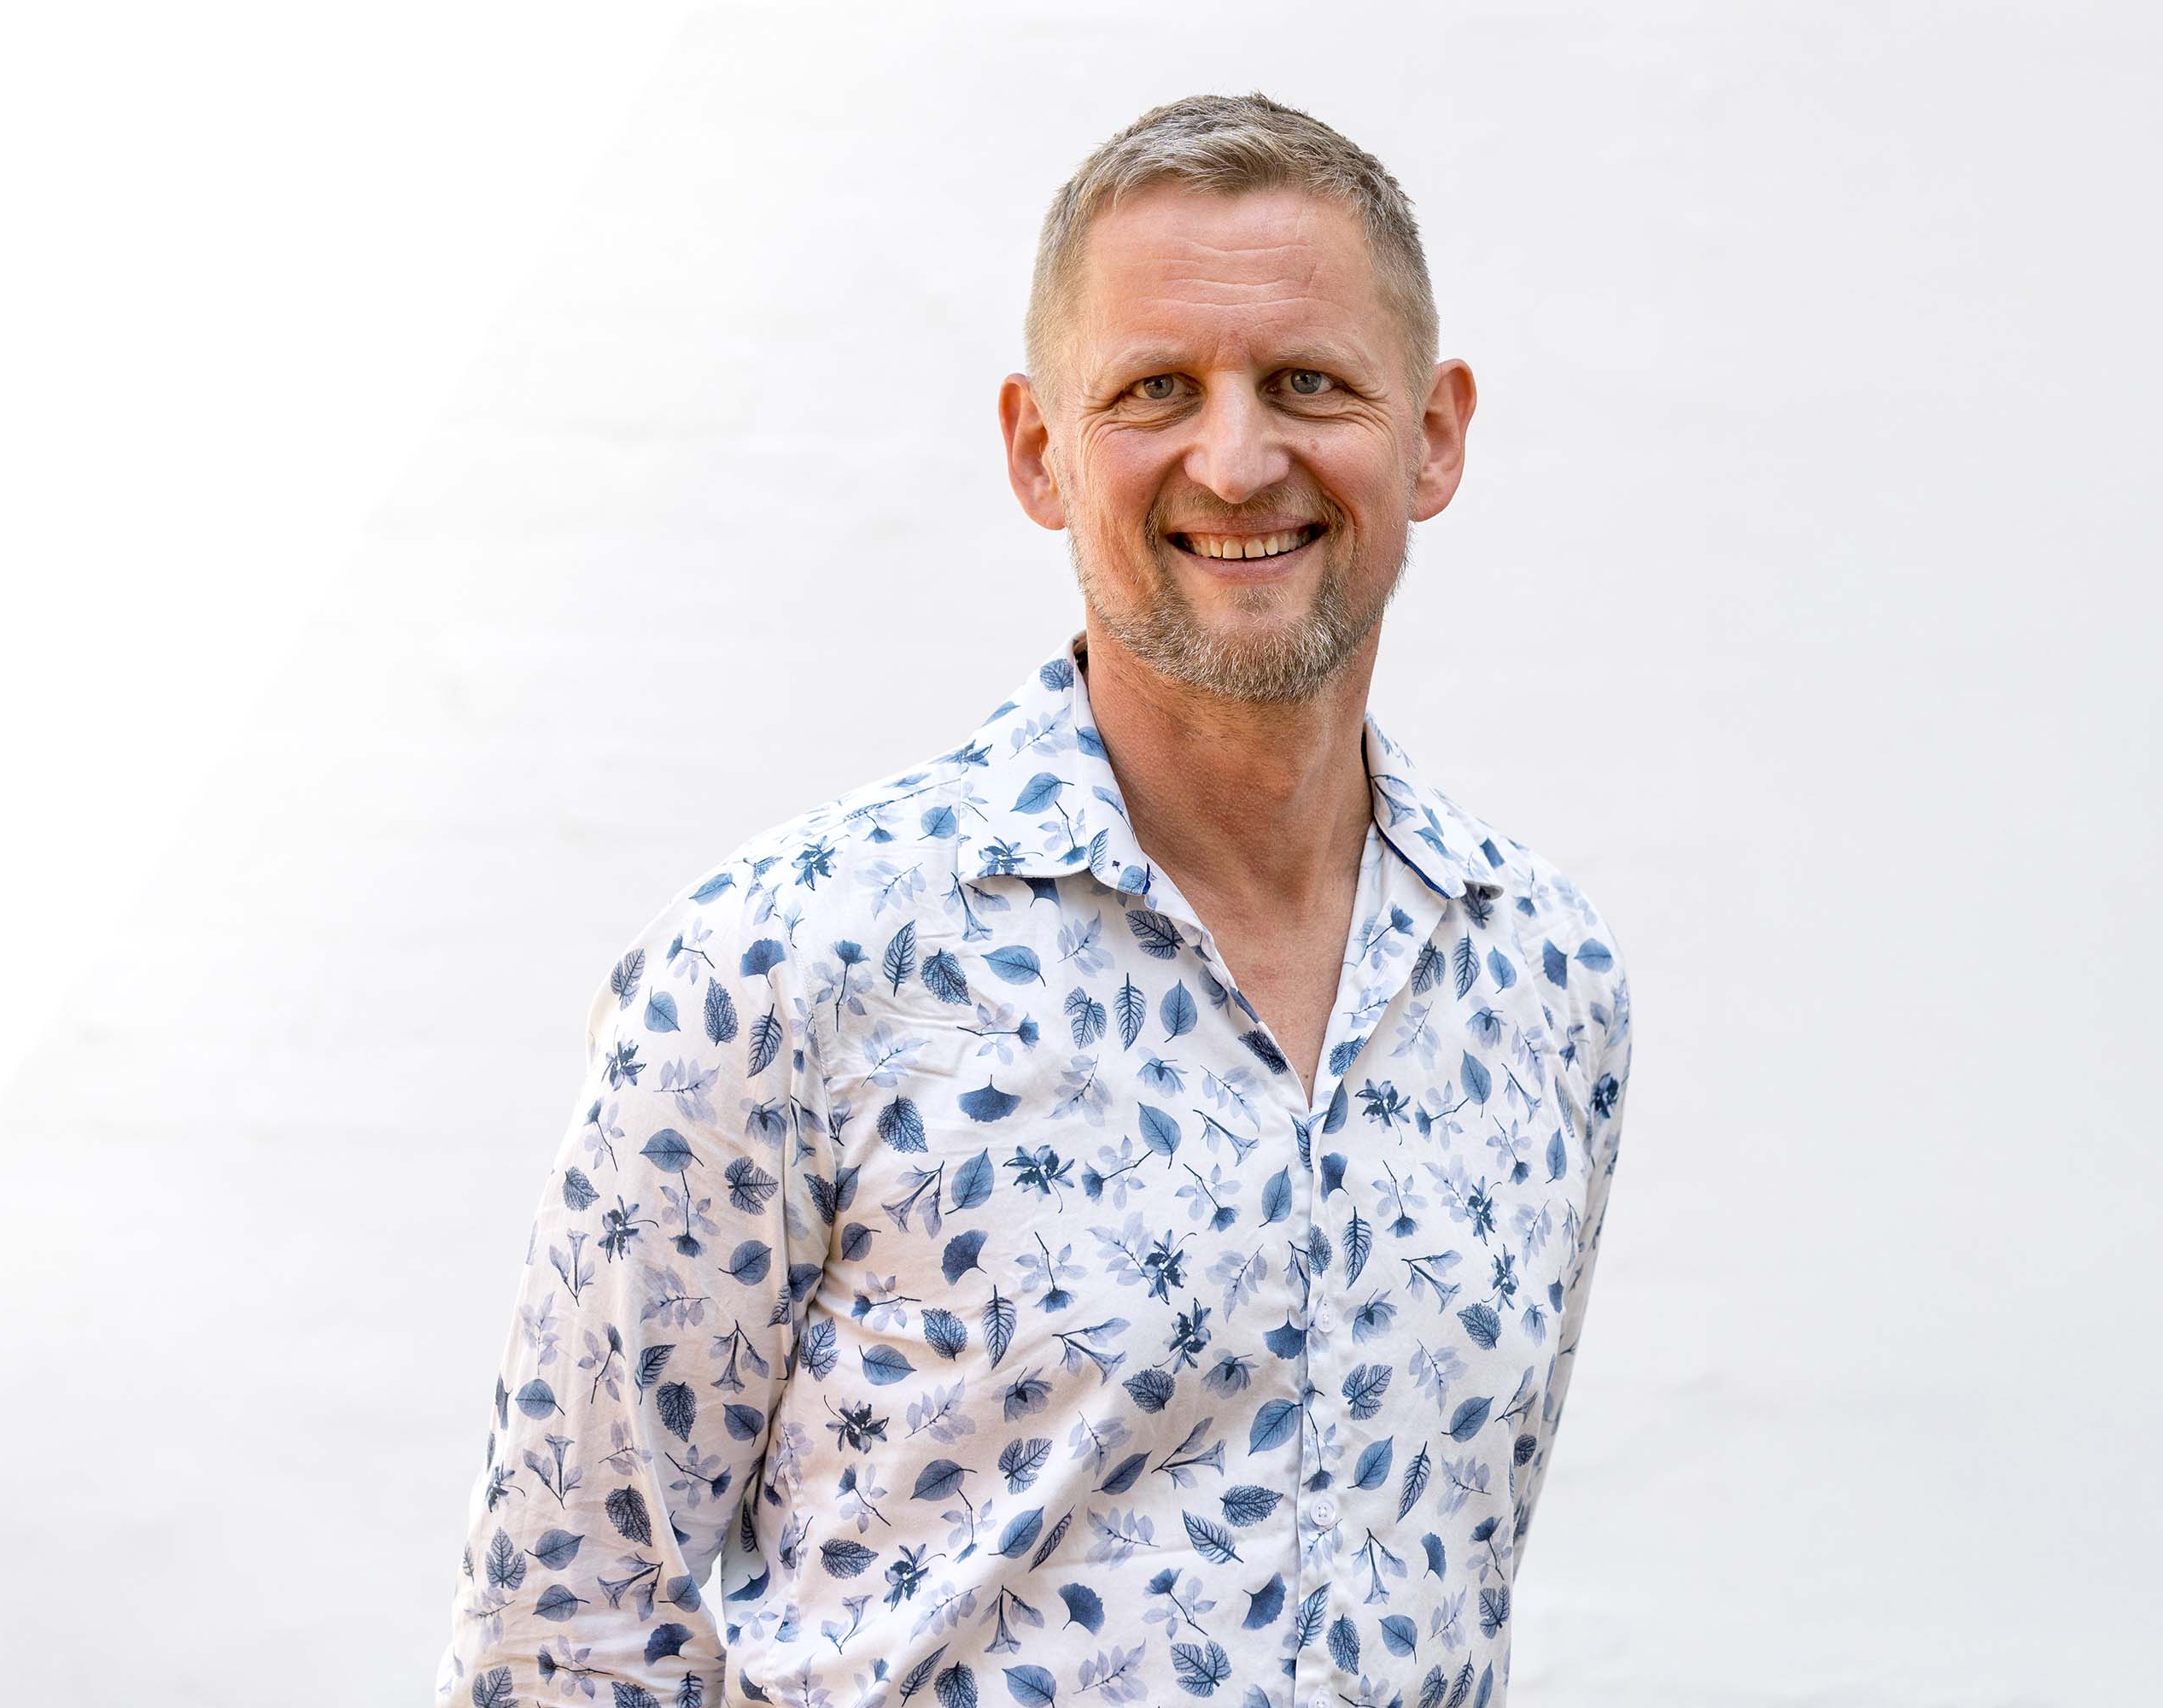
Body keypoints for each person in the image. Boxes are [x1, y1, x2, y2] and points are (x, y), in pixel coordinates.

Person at [436, 91, 1634, 1708]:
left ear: (1433, 436)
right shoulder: (783, 966)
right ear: (1037, 450)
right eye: (1155, 389)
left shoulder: (1546, 983)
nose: (1236, 459)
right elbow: (564, 1637)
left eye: (1308, 381)